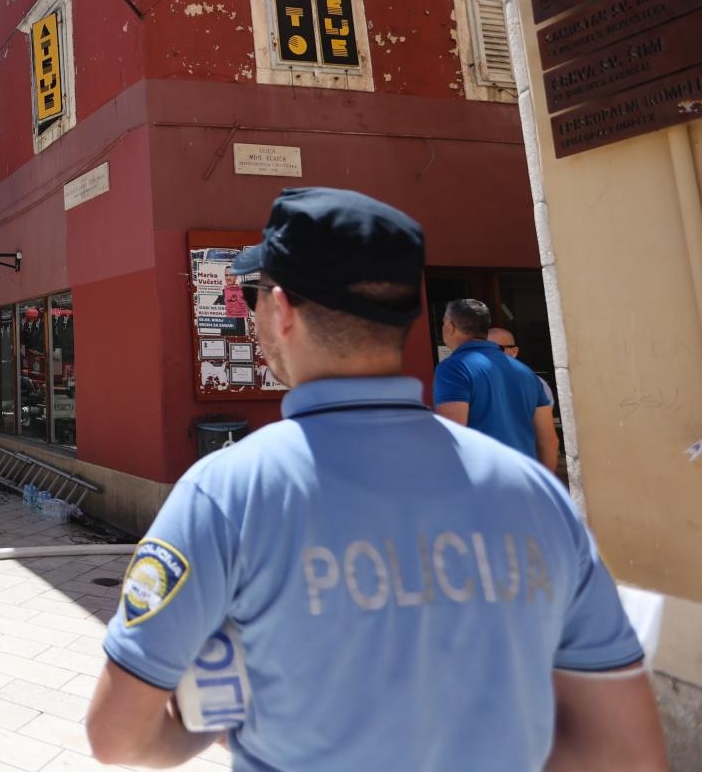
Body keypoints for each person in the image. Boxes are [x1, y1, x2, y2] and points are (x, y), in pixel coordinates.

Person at [86, 187, 664, 770]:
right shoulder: (538, 495)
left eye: (253, 292)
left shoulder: (225, 494)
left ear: (281, 310)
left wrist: (213, 722)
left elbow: (117, 737)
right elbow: (627, 751)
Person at [435, 299, 559, 472]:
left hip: (482, 481)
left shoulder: (454, 368)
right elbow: (548, 440)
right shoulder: (526, 372)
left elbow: (452, 435)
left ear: (450, 327)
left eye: (443, 323)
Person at [489, 325, 558, 407]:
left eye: (496, 348)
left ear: (514, 352)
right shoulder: (476, 382)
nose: (487, 354)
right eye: (482, 348)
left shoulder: (534, 383)